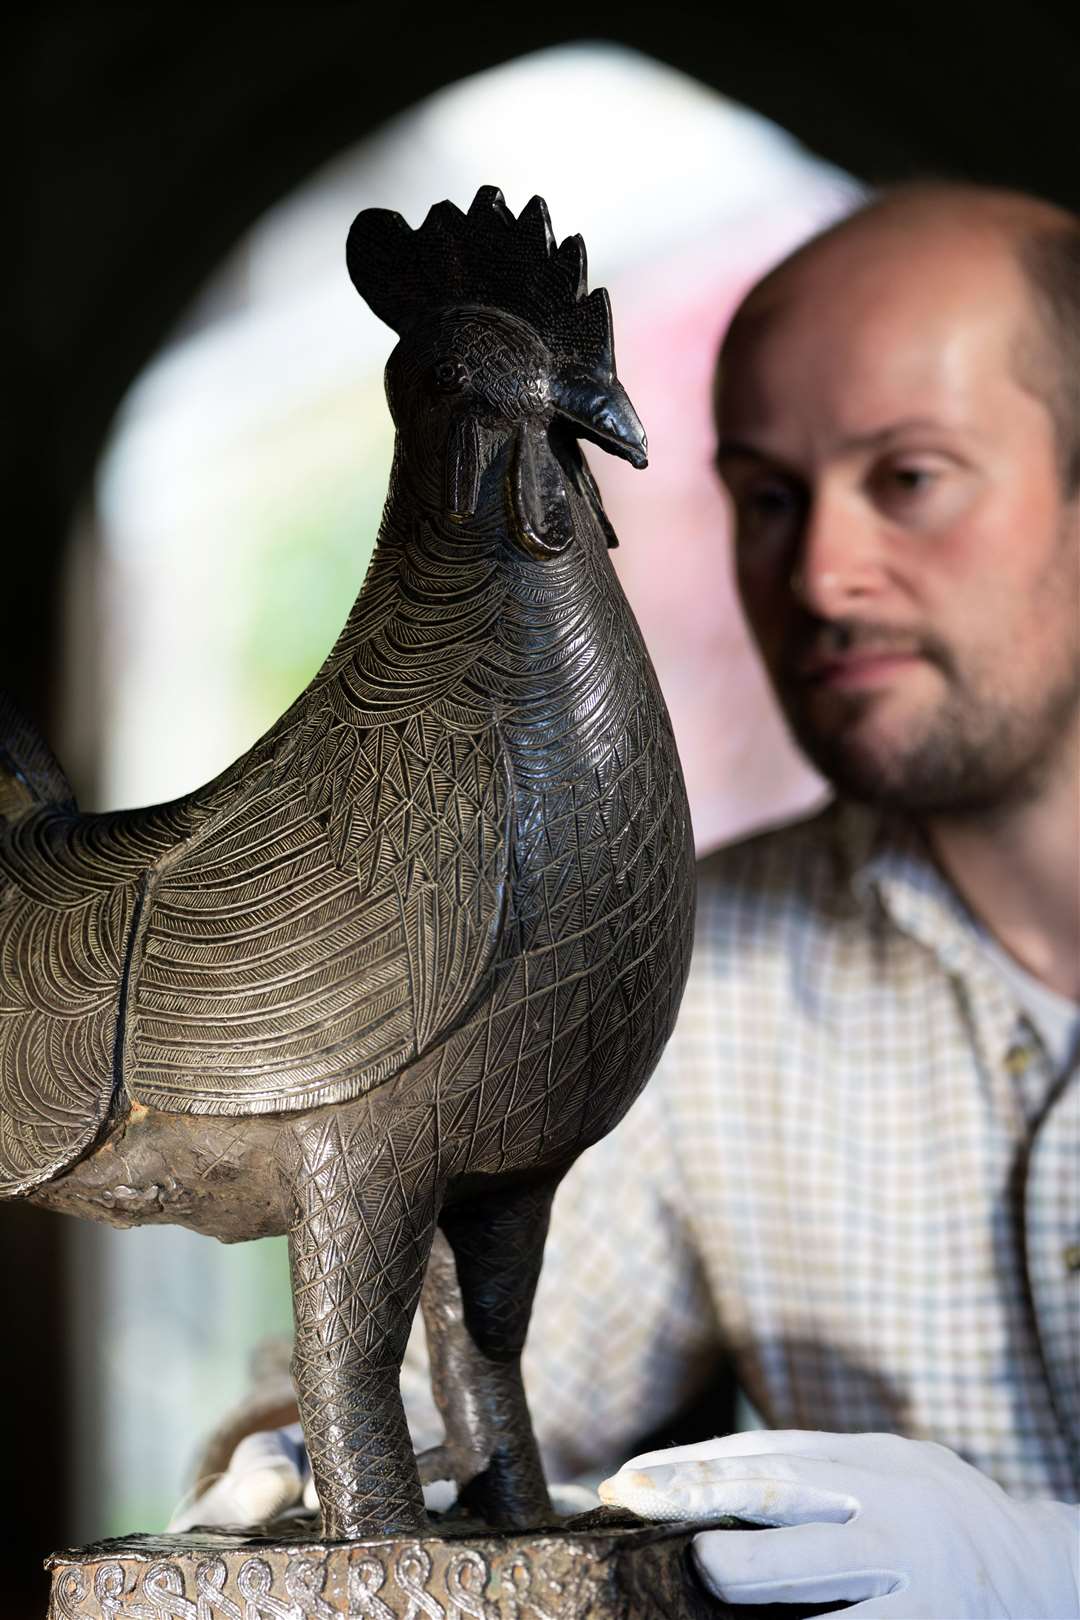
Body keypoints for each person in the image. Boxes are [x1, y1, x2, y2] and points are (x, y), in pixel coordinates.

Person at [175, 182, 1080, 1618]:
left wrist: (1054, 1569)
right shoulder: (674, 978)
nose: (824, 571)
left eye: (910, 477)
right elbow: (390, 1399)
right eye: (767, 495)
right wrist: (296, 1475)